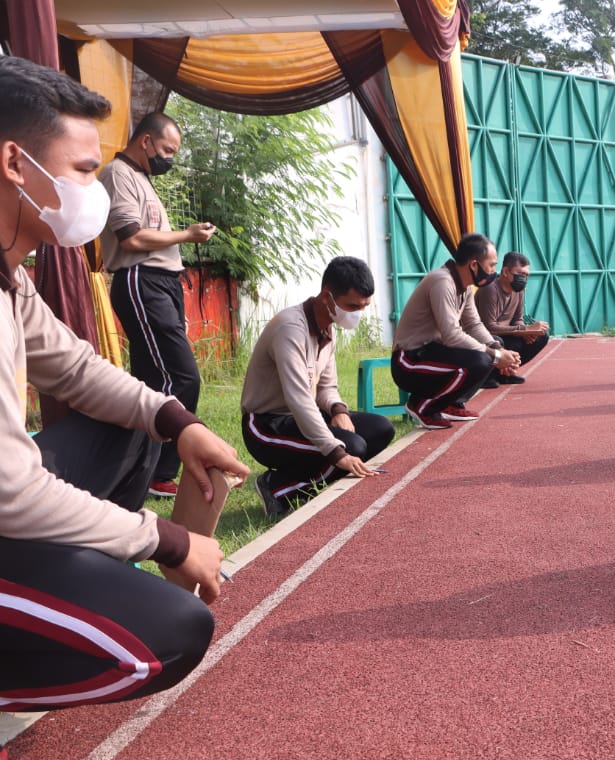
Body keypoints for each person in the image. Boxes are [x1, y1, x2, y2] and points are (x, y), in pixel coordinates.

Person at [0, 56, 250, 710]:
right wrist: (168, 538)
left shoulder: (9, 273)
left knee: (140, 423)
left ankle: (70, 580)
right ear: (13, 164)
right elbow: (11, 492)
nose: (95, 189)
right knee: (170, 632)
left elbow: (77, 370)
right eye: (84, 171)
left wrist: (180, 421)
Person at [100, 112, 216, 498]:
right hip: (140, 280)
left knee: (151, 381)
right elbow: (131, 238)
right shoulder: (118, 173)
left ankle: (139, 470)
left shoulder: (141, 179)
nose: (169, 158)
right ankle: (161, 472)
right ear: (146, 141)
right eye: (167, 150)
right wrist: (187, 235)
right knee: (180, 378)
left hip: (160, 283)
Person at [241, 257, 395, 517]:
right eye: (352, 306)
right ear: (327, 297)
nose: (358, 313)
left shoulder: (327, 327)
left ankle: (297, 480)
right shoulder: (291, 329)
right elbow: (299, 398)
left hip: (301, 417)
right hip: (267, 427)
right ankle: (278, 487)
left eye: (364, 306)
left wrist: (338, 410)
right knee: (351, 448)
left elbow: (326, 386)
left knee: (381, 429)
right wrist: (336, 452)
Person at [391, 232, 520, 430]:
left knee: (492, 346)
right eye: (492, 265)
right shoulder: (442, 282)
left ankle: (450, 404)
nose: (494, 270)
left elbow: (473, 324)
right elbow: (452, 334)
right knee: (481, 359)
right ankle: (422, 406)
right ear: (474, 264)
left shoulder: (465, 285)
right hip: (408, 361)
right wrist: (495, 355)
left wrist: (497, 349)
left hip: (431, 352)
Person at [474, 251, 549, 386]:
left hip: (506, 335)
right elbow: (489, 327)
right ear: (505, 272)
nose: (523, 278)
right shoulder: (490, 289)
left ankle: (504, 374)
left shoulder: (518, 291)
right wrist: (523, 329)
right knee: (496, 340)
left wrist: (527, 333)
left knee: (541, 337)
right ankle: (487, 376)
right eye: (520, 274)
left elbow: (517, 319)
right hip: (484, 339)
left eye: (526, 275)